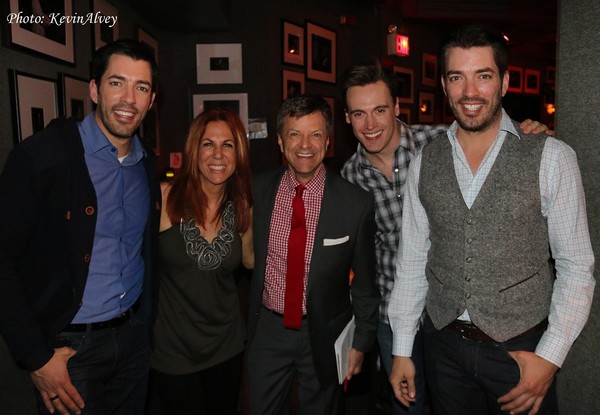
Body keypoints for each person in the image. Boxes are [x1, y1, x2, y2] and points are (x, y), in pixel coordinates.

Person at [388, 24, 595, 415]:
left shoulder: (552, 157)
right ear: (445, 85)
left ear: (504, 82)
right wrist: (401, 349)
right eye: (457, 77)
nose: (469, 92)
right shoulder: (423, 162)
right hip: (443, 348)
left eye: (483, 76)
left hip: (520, 352)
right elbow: (412, 262)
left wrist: (549, 357)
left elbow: (576, 268)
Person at [339, 62, 553, 415]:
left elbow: (500, 137)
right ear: (347, 119)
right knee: (407, 407)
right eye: (359, 114)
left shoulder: (442, 143)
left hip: (456, 313)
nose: (371, 124)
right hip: (394, 314)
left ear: (396, 108)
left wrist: (531, 133)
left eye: (379, 110)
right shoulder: (348, 178)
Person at [0, 39, 160, 415]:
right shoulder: (41, 157)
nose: (128, 99)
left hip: (134, 341)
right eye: (116, 82)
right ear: (94, 89)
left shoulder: (146, 165)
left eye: (142, 88)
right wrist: (36, 357)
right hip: (70, 353)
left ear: (152, 101)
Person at [247, 94, 380, 414]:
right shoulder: (257, 189)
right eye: (294, 134)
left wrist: (360, 343)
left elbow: (364, 284)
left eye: (316, 134)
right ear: (280, 141)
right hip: (268, 329)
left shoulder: (355, 203)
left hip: (324, 332)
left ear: (328, 141)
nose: (305, 144)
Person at [149, 108, 253, 415]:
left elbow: (252, 262)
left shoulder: (244, 206)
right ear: (194, 150)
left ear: (239, 153)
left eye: (228, 144)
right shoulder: (164, 199)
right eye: (208, 144)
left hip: (227, 347)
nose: (217, 154)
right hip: (173, 353)